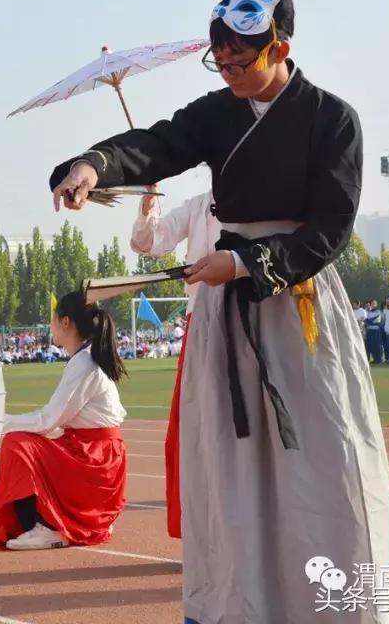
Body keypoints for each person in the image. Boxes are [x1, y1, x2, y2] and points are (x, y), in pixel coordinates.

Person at [48, 0, 389, 623]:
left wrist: (241, 262)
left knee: (322, 460)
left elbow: (329, 231)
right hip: (227, 316)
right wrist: (93, 164)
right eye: (221, 62)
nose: (229, 73)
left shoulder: (332, 119)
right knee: (230, 469)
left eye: (241, 61)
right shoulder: (217, 113)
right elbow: (156, 144)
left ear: (279, 48)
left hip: (298, 302)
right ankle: (238, 607)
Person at [0, 290, 127, 551]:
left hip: (94, 458)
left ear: (65, 322)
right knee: (27, 441)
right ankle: (78, 517)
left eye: (52, 320)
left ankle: (50, 526)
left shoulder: (84, 363)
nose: (50, 326)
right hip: (96, 454)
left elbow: (47, 421)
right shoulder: (86, 358)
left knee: (16, 444)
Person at [130, 185, 221, 538]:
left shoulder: (260, 196)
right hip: (201, 320)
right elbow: (148, 241)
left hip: (252, 317)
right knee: (192, 431)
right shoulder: (197, 206)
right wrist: (148, 203)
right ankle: (201, 530)